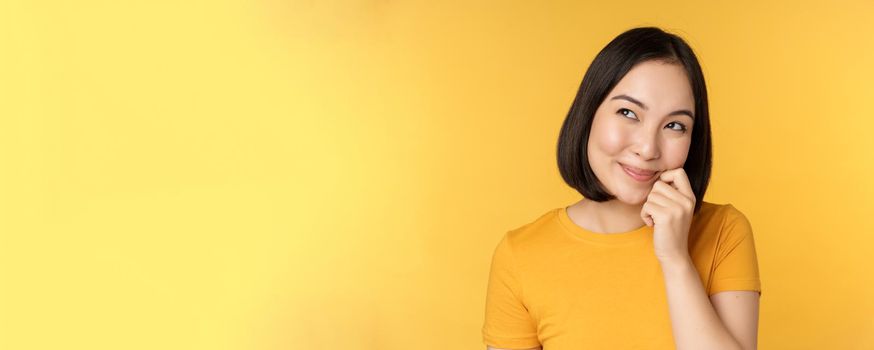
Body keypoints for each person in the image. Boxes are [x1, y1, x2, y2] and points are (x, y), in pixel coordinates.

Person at [481, 27, 762, 350]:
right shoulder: (521, 255)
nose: (647, 148)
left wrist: (675, 259)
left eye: (675, 125)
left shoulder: (724, 231)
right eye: (628, 112)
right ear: (589, 114)